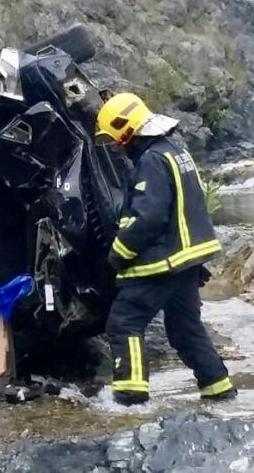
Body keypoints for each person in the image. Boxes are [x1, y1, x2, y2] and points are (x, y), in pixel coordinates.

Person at [95, 92, 236, 406]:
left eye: (116, 138)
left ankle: (130, 400)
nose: (117, 146)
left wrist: (119, 253)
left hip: (164, 260)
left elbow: (148, 216)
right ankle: (220, 390)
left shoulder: (151, 161)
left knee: (124, 321)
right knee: (186, 329)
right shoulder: (174, 150)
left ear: (126, 129)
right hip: (185, 260)